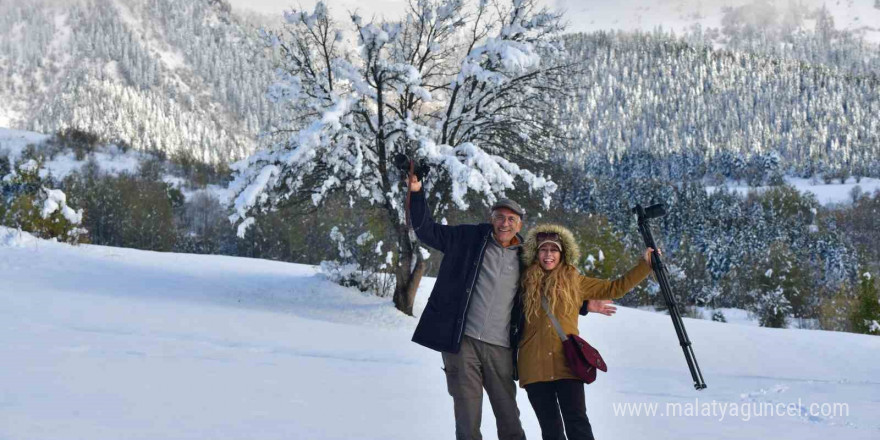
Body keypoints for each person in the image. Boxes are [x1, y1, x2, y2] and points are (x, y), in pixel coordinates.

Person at [406, 175, 610, 440]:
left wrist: (582, 304)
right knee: (467, 418)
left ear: (520, 224)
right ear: (492, 218)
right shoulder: (467, 239)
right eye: (500, 217)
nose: (505, 224)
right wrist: (416, 191)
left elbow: (547, 289)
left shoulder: (525, 258)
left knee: (509, 417)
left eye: (512, 219)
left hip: (501, 346)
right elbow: (426, 230)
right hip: (462, 342)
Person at [517, 224, 656, 440]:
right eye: (543, 249)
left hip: (568, 363)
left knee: (577, 423)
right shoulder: (523, 282)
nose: (548, 255)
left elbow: (614, 288)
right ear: (535, 252)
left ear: (563, 254)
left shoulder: (575, 282)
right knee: (550, 429)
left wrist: (645, 266)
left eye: (554, 250)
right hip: (533, 366)